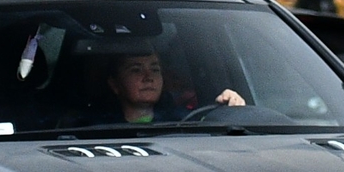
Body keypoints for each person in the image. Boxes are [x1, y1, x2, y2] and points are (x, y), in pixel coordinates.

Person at [99, 48, 242, 124]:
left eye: (155, 69)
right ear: (115, 84)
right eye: (136, 70)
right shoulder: (94, 128)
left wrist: (230, 105)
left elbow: (217, 125)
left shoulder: (186, 120)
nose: (148, 77)